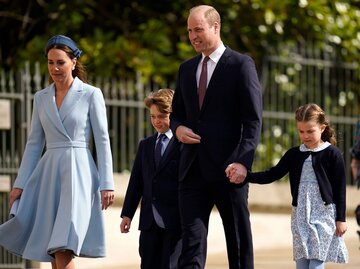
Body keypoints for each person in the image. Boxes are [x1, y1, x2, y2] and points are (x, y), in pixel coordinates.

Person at [0, 35, 115, 269]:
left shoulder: (92, 94)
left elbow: (103, 142)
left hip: (78, 174)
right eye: (50, 62)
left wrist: (107, 183)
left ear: (74, 62)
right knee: (55, 249)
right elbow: (34, 144)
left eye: (60, 62)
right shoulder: (40, 98)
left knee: (64, 244)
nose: (55, 68)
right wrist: (20, 184)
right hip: (49, 174)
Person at [170, 5, 262, 269]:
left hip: (229, 170)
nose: (192, 36)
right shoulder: (186, 69)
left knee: (238, 243)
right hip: (191, 171)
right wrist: (178, 129)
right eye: (189, 30)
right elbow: (177, 114)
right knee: (191, 245)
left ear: (215, 26)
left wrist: (243, 162)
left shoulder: (241, 64)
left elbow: (253, 120)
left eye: (198, 29)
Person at [238, 103, 348, 269]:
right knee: (302, 263)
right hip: (300, 215)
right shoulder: (294, 154)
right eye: (301, 131)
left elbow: (340, 189)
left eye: (310, 131)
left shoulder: (332, 154)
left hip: (324, 214)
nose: (305, 136)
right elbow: (272, 174)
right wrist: (247, 176)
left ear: (322, 127)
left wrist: (341, 219)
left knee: (316, 262)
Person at [120, 89, 182, 269]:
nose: (156, 121)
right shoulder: (145, 145)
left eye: (162, 116)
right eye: (153, 116)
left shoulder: (182, 145)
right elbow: (136, 182)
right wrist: (127, 214)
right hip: (148, 223)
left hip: (174, 221)